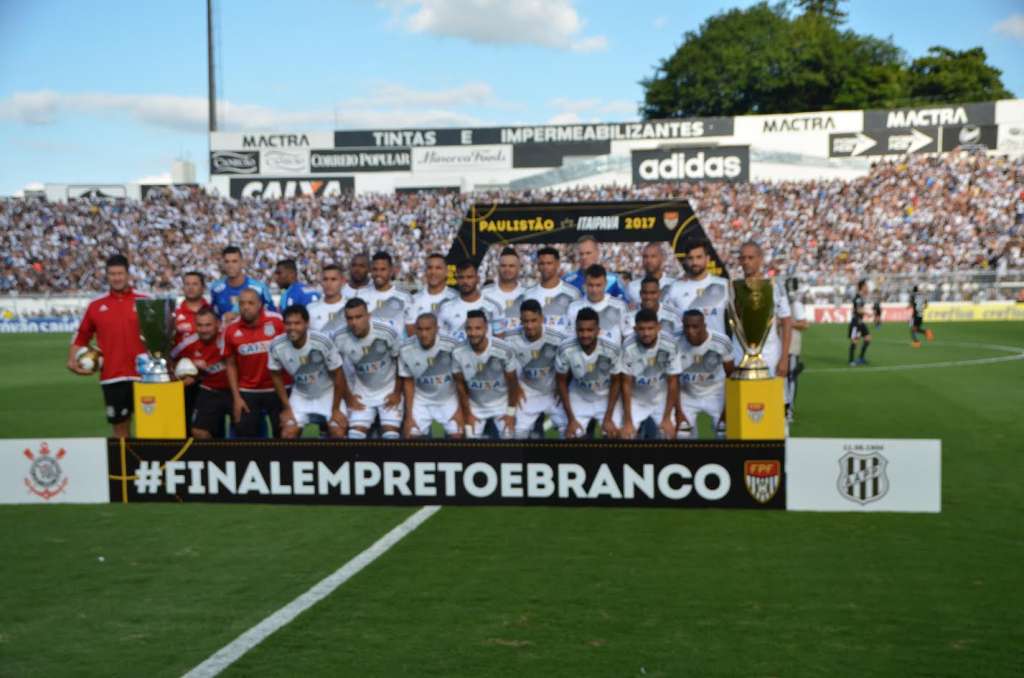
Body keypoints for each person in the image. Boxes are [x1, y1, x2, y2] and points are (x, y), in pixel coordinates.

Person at [67, 254, 149, 438]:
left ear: (128, 275)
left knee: (149, 429)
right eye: (112, 274)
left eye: (120, 273)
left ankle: (145, 467)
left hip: (146, 376)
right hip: (112, 377)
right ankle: (124, 467)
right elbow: (82, 335)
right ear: (107, 276)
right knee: (120, 429)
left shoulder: (146, 301)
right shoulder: (96, 305)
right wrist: (72, 359)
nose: (117, 278)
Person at [268, 305, 349, 439]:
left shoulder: (322, 342)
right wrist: (287, 408)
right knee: (288, 433)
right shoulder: (276, 345)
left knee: (338, 432)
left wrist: (335, 409)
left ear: (306, 324)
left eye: (297, 323)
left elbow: (339, 374)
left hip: (328, 393)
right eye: (288, 323)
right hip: (300, 395)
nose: (292, 328)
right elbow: (275, 375)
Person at [329, 298, 403, 439]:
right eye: (349, 318)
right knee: (355, 435)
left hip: (388, 389)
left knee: (391, 435)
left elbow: (401, 362)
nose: (354, 322)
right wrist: (349, 396)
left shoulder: (387, 332)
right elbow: (336, 371)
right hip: (361, 392)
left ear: (368, 316)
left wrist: (397, 393)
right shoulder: (339, 337)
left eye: (359, 317)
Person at [223, 288, 285, 437]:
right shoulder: (231, 329)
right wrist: (236, 397)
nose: (246, 307)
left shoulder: (277, 321)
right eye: (242, 303)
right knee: (245, 436)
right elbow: (230, 364)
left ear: (260, 305)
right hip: (248, 391)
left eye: (251, 303)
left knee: (285, 435)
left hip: (278, 389)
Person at [555, 307, 624, 439]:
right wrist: (570, 419)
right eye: (581, 330)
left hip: (605, 397)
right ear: (575, 330)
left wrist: (608, 418)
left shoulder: (611, 350)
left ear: (598, 331)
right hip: (579, 396)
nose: (585, 335)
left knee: (614, 435)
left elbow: (616, 382)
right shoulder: (565, 349)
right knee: (570, 435)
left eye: (589, 330)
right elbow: (561, 382)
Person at [452, 309, 521, 439]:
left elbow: (513, 383)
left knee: (510, 443)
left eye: (478, 328)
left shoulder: (504, 349)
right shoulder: (457, 352)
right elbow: (460, 386)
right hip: (475, 406)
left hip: (501, 404)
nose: (473, 333)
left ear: (486, 328)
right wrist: (468, 414)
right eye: (469, 329)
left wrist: (510, 413)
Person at [505, 299, 567, 438]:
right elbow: (506, 367)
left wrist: (562, 386)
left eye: (534, 320)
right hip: (528, 392)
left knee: (572, 431)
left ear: (542, 319)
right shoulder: (510, 339)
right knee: (516, 434)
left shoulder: (558, 338)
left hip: (553, 392)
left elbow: (569, 362)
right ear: (520, 320)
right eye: (525, 321)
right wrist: (516, 387)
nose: (530, 325)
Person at [619, 309, 682, 439]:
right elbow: (626, 384)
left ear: (658, 327)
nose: (646, 333)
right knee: (625, 435)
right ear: (635, 328)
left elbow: (673, 381)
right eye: (641, 329)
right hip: (636, 398)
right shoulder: (628, 346)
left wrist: (666, 418)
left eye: (650, 328)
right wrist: (628, 421)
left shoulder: (670, 344)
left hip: (661, 398)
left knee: (674, 434)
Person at [398, 312, 462, 438]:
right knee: (409, 434)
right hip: (421, 399)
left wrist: (460, 410)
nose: (424, 334)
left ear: (437, 329)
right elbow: (408, 383)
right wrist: (409, 416)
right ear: (415, 330)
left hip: (448, 399)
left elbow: (460, 380)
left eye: (428, 329)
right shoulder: (405, 349)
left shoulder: (452, 345)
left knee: (457, 436)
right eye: (420, 329)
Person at [733, 242, 791, 378]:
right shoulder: (733, 288)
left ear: (760, 259)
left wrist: (784, 358)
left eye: (750, 258)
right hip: (739, 356)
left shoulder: (775, 287)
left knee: (772, 398)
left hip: (770, 356)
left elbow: (787, 321)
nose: (746, 262)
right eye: (743, 258)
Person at [171, 307, 230, 439]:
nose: (204, 330)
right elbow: (170, 361)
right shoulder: (188, 343)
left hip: (235, 390)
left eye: (208, 325)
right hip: (210, 390)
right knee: (199, 432)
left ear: (218, 324)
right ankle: (213, 458)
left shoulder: (228, 337)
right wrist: (183, 374)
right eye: (200, 325)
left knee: (244, 428)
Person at [677, 310, 734, 439]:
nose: (690, 331)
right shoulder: (675, 341)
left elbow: (731, 377)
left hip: (716, 392)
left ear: (704, 325)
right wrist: (678, 411)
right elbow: (672, 379)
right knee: (681, 434)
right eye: (687, 327)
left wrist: (726, 410)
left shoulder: (721, 342)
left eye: (695, 327)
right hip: (687, 393)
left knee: (725, 432)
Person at [663, 240, 729, 337]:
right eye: (690, 258)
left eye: (699, 257)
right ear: (685, 261)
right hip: (686, 349)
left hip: (717, 348)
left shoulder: (724, 285)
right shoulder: (676, 288)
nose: (695, 262)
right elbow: (668, 324)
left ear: (707, 259)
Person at [174, 270, 212, 434]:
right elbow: (168, 350)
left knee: (211, 429)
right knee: (186, 428)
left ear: (203, 287)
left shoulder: (213, 311)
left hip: (211, 379)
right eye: (187, 284)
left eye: (195, 284)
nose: (190, 288)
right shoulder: (174, 315)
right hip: (184, 380)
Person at [436, 260, 502, 342]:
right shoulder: (446, 307)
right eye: (461, 277)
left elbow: (499, 339)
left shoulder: (493, 307)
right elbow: (440, 340)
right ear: (456, 280)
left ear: (477, 279)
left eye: (469, 277)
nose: (465, 281)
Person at [565, 264, 631, 344]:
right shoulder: (574, 307)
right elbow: (570, 338)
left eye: (598, 285)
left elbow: (628, 335)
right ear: (585, 284)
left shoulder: (619, 306)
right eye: (591, 285)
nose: (594, 290)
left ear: (605, 284)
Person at [210, 246, 275, 323]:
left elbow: (272, 315)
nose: (230, 266)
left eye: (234, 261)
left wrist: (242, 317)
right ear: (223, 264)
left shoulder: (259, 288)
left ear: (242, 263)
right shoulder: (215, 288)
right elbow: (213, 317)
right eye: (227, 262)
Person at [522, 246, 581, 331]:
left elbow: (578, 324)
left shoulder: (573, 293)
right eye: (542, 263)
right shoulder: (528, 294)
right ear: (537, 266)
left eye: (549, 263)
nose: (545, 267)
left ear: (557, 264)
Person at [362, 251, 415, 336]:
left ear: (391, 271)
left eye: (383, 269)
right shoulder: (361, 295)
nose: (378, 273)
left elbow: (411, 331)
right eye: (375, 269)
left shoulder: (404, 297)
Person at [482, 247, 529, 336]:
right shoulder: (484, 294)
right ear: (498, 267)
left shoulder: (528, 293)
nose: (507, 269)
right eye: (503, 266)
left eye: (511, 266)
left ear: (519, 268)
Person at [785, 278, 808, 422]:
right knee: (783, 377)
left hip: (792, 345)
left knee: (791, 377)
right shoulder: (783, 303)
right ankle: (784, 406)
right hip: (782, 344)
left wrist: (789, 323)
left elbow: (805, 325)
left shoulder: (796, 305)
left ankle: (789, 409)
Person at [625, 243, 674, 308]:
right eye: (645, 257)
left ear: (662, 259)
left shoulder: (674, 285)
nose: (648, 260)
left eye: (653, 256)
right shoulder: (632, 287)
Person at [411, 253, 458, 319]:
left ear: (447, 272)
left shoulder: (457, 298)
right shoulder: (413, 300)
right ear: (425, 271)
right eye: (430, 268)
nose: (433, 272)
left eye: (438, 268)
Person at [307, 264, 346, 332]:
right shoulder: (310, 309)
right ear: (321, 282)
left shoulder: (350, 306)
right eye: (325, 279)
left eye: (333, 279)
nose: (329, 283)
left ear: (342, 282)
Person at [848, 279, 872, 366]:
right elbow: (858, 310)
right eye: (866, 286)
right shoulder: (857, 298)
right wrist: (867, 313)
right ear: (862, 287)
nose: (868, 288)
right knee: (855, 341)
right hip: (855, 322)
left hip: (860, 322)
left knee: (868, 338)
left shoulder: (861, 297)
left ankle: (861, 358)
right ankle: (851, 361)